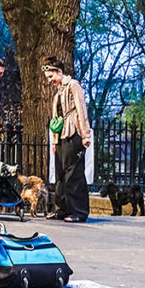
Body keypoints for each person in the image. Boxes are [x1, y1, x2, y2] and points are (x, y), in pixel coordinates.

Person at [43, 58, 92, 222]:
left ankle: (79, 211)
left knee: (74, 173)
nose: (50, 80)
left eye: (51, 76)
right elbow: (57, 117)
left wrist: (85, 135)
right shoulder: (58, 91)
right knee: (60, 174)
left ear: (59, 71)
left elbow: (81, 110)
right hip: (61, 135)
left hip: (73, 133)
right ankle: (63, 209)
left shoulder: (73, 86)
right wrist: (55, 142)